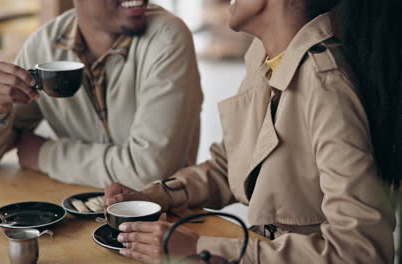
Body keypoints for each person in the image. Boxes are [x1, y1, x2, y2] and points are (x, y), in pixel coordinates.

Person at [104, 0, 400, 262]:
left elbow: (361, 251)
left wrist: (200, 246)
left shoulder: (326, 87)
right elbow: (231, 166)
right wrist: (157, 196)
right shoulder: (265, 56)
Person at [0, 0, 203, 189]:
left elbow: (149, 173)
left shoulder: (168, 38)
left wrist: (44, 155)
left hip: (162, 226)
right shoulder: (46, 44)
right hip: (78, 209)